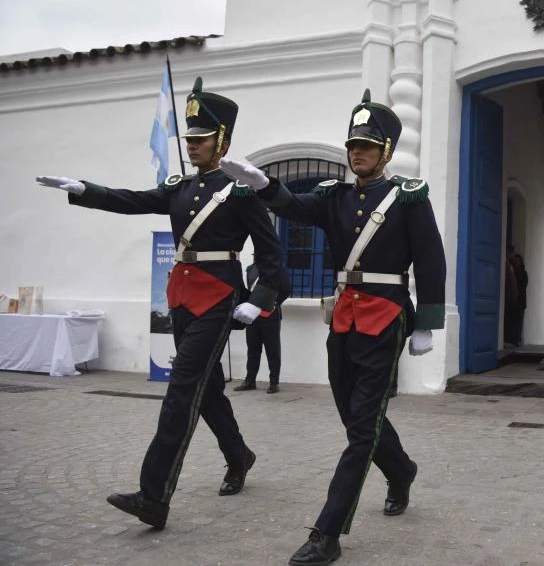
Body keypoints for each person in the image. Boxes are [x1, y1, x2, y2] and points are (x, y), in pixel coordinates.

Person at [36, 77, 283, 529]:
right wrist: (84, 189)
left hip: (219, 296)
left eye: (201, 139)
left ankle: (154, 496)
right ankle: (240, 454)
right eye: (189, 139)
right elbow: (132, 200)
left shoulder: (242, 192)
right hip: (183, 296)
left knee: (181, 391)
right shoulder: (180, 188)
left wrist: (261, 299)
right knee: (205, 391)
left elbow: (272, 253)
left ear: (222, 140)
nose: (193, 146)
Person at [219, 89, 446, 566]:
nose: (357, 152)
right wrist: (263, 184)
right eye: (352, 145)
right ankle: (401, 469)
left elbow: (430, 262)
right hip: (344, 315)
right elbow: (293, 207)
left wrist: (428, 322)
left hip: (386, 317)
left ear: (385, 151)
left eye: (366, 145)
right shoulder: (333, 197)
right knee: (354, 416)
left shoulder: (407, 198)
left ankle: (327, 533)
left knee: (362, 426)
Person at [234, 260, 292, 394]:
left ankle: (273, 382)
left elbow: (286, 289)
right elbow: (249, 289)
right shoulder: (250, 269)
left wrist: (275, 303)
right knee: (253, 349)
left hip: (270, 313)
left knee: (272, 350)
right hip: (253, 315)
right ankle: (250, 380)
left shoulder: (277, 269)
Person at [510, 253, 528, 346]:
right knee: (513, 320)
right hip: (513, 300)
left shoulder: (523, 273)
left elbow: (523, 287)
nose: (516, 263)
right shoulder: (512, 272)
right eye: (515, 261)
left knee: (519, 320)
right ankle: (513, 338)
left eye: (518, 261)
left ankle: (517, 339)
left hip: (520, 300)